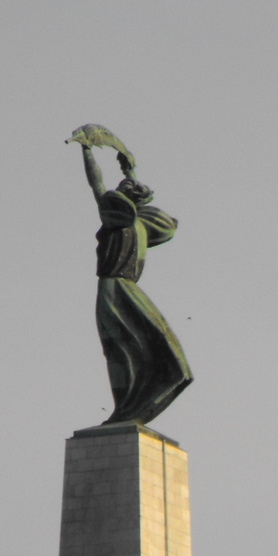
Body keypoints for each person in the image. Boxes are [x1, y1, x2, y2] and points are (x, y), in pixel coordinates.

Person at [70, 126, 191, 425]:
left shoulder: (119, 216)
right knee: (135, 343)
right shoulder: (142, 224)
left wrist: (87, 152)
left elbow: (96, 183)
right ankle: (128, 406)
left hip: (114, 288)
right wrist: (131, 169)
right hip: (128, 289)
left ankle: (127, 406)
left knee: (122, 346)